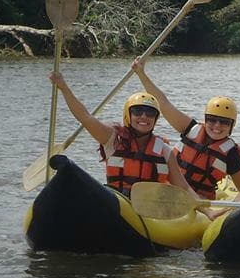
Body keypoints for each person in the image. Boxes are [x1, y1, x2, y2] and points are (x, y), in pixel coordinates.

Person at [48, 72, 193, 197]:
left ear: (155, 119)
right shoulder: (112, 139)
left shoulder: (165, 151)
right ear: (128, 115)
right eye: (137, 111)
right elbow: (85, 116)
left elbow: (184, 187)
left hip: (150, 210)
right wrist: (63, 87)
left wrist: (207, 212)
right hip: (119, 202)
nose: (144, 116)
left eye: (150, 113)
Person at [131, 58, 240, 199]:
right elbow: (163, 103)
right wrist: (141, 73)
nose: (217, 125)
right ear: (205, 120)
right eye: (212, 119)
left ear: (232, 125)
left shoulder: (231, 154)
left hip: (199, 202)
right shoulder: (191, 128)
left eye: (224, 122)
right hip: (168, 192)